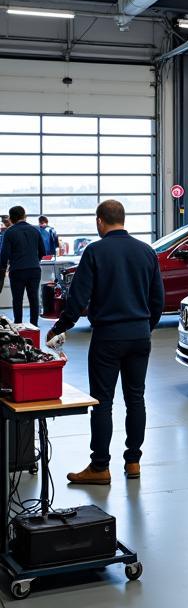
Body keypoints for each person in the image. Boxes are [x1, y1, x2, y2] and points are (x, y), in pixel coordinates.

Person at [45, 199, 164, 486]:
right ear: (123, 219)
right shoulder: (147, 252)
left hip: (107, 338)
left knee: (103, 403)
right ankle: (133, 461)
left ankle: (100, 467)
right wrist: (143, 327)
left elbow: (78, 298)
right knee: (136, 398)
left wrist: (59, 328)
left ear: (100, 221)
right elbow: (157, 300)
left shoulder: (95, 251)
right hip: (139, 336)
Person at [0, 205, 45, 326]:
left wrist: (3, 268)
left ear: (11, 218)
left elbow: (4, 255)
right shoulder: (35, 230)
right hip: (34, 269)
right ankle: (34, 325)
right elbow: (43, 251)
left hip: (17, 270)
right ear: (24, 216)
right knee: (33, 298)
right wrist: (34, 261)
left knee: (17, 299)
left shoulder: (9, 232)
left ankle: (19, 325)